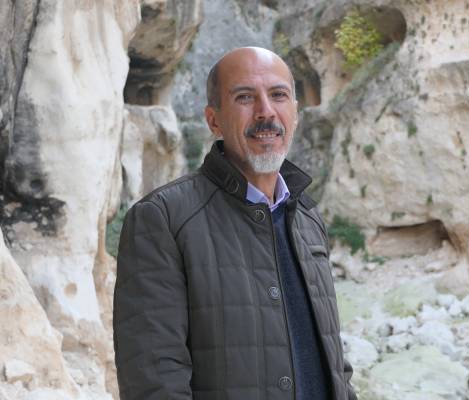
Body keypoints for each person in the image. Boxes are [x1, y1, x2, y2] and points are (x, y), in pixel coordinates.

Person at [113, 47, 357, 400]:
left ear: (295, 113)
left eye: (278, 95)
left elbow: (335, 363)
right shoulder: (163, 219)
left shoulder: (306, 216)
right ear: (214, 120)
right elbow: (153, 382)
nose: (266, 111)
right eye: (245, 97)